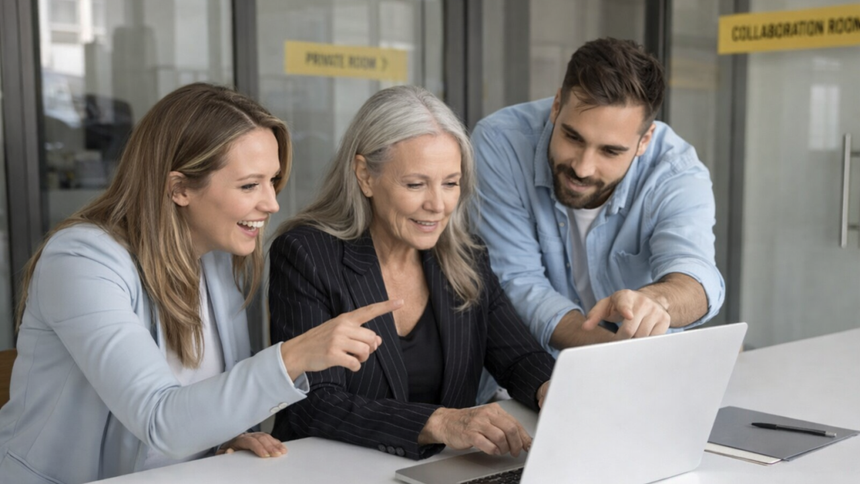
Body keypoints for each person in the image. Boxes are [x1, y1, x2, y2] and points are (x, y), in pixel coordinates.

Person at [0, 83, 400, 484]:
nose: (272, 203)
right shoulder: (81, 261)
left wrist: (222, 438)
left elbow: (196, 409)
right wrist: (293, 356)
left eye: (271, 180)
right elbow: (161, 421)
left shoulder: (215, 257)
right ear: (179, 188)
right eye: (249, 185)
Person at [268, 85, 555, 461]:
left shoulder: (467, 256)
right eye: (416, 184)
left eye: (451, 183)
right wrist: (439, 423)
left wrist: (549, 388)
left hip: (443, 472)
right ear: (365, 175)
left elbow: (518, 357)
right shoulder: (306, 253)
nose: (437, 205)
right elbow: (314, 403)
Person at [473, 37, 724, 357]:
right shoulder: (501, 144)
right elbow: (518, 284)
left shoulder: (675, 172)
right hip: (529, 371)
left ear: (645, 139)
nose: (583, 167)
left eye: (610, 151)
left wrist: (656, 302)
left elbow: (696, 277)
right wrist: (615, 356)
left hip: (641, 373)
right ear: (556, 105)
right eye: (572, 137)